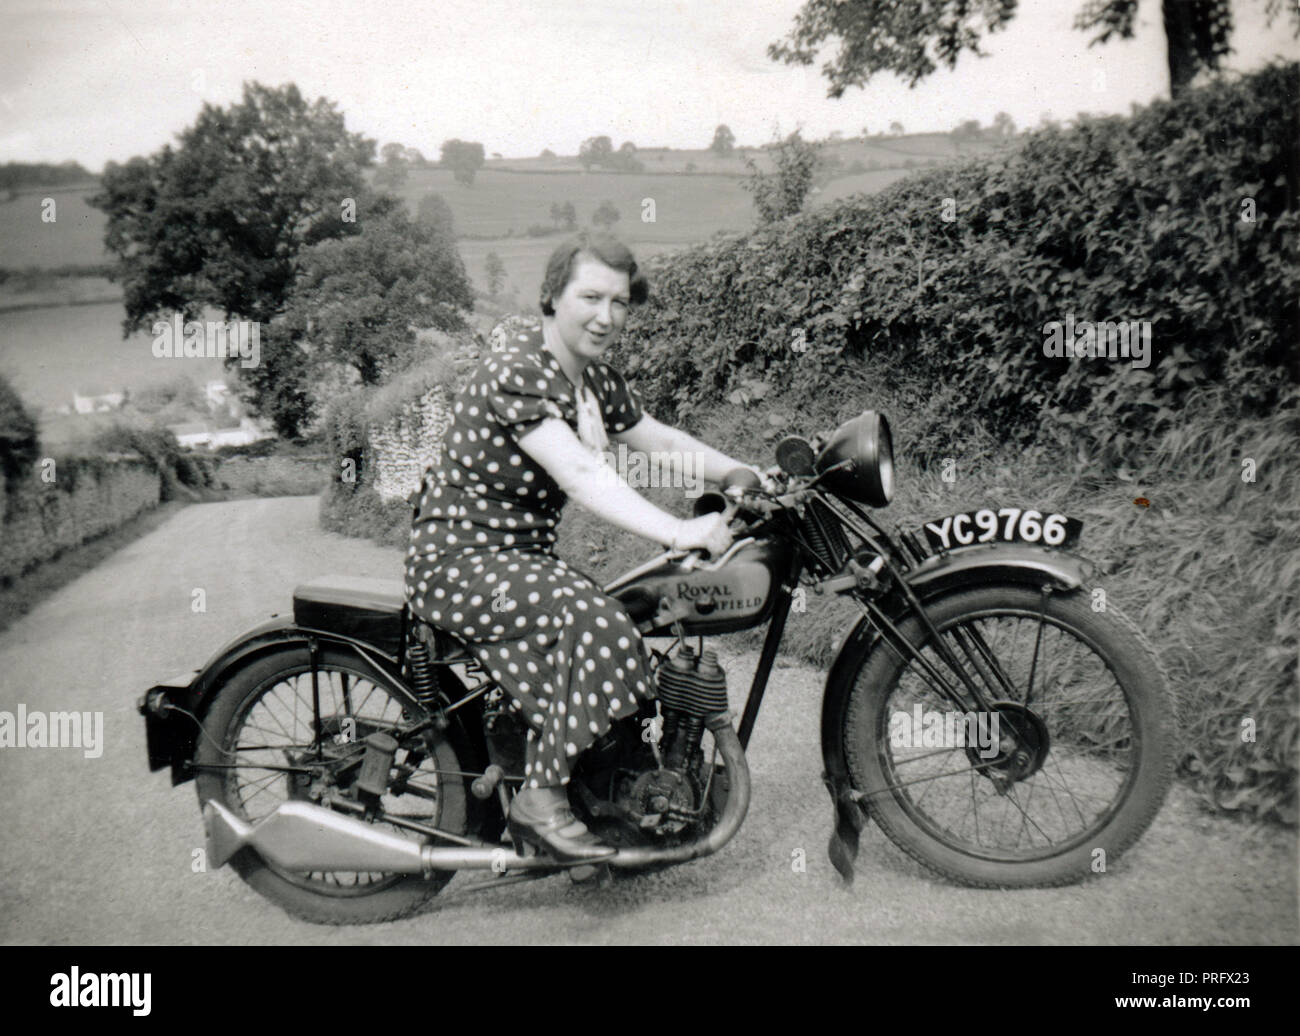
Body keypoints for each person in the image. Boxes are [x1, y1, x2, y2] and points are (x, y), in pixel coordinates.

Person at [405, 232, 762, 864]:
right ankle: (541, 800)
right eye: (590, 297)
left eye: (620, 302)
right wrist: (680, 532)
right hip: (459, 560)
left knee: (618, 614)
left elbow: (655, 439)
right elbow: (581, 473)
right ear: (552, 297)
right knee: (599, 626)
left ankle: (596, 782)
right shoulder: (518, 365)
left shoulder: (590, 377)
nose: (607, 316)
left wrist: (740, 472)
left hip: (518, 559)